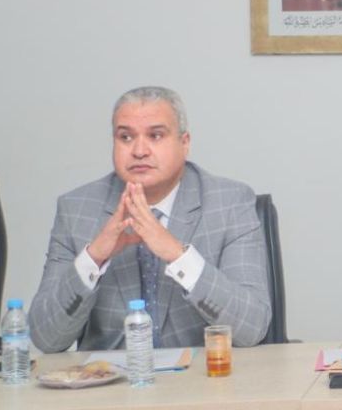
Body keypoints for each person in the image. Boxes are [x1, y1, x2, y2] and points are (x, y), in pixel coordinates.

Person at [29, 86, 271, 352]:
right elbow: (46, 338)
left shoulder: (230, 203)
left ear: (184, 143)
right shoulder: (76, 210)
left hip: (203, 374)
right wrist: (94, 256)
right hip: (110, 376)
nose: (139, 150)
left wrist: (177, 255)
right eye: (126, 137)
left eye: (156, 136)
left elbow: (251, 328)